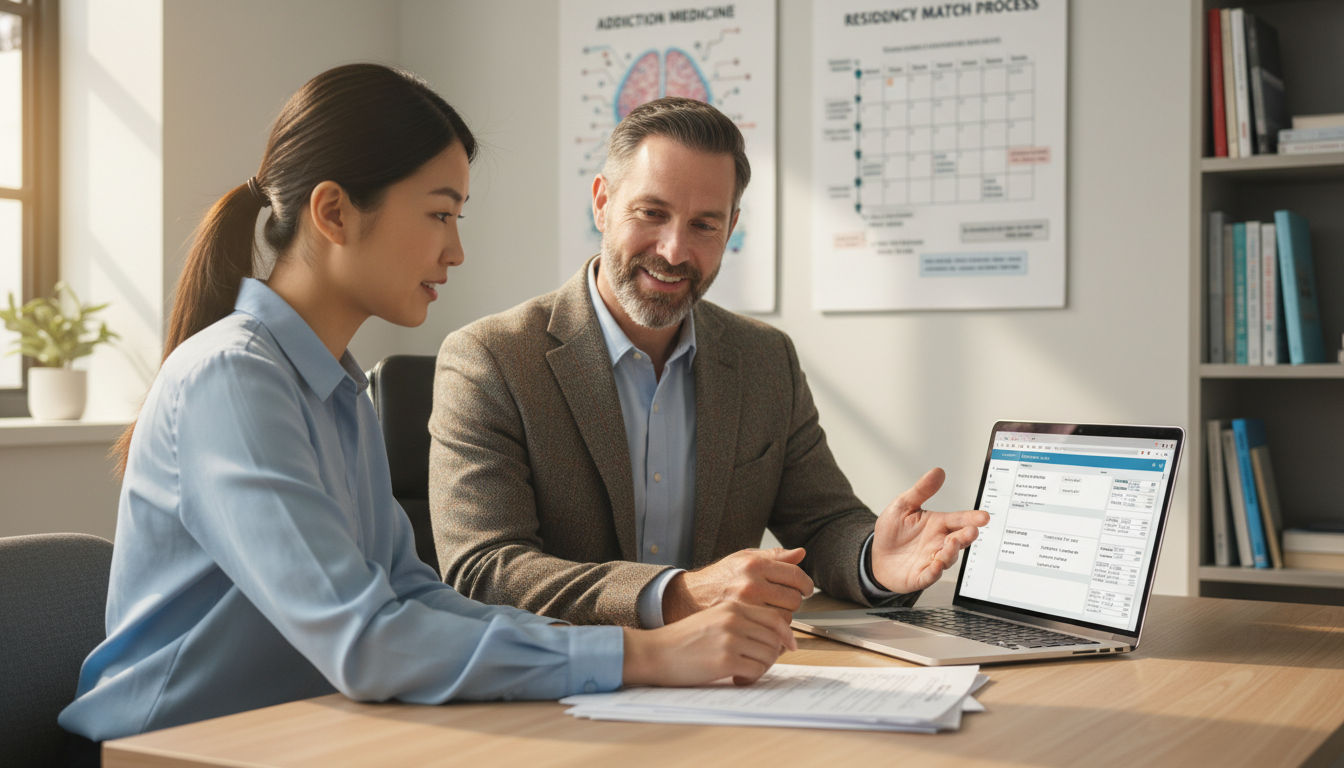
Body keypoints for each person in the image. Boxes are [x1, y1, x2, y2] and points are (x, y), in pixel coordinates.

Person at [58, 67, 794, 762]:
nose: (457, 249)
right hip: (169, 751)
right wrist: (647, 654)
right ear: (335, 212)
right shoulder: (232, 378)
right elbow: (366, 640)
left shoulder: (334, 389)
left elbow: (410, 598)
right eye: (440, 213)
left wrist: (644, 654)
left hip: (300, 737)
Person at [429, 97, 990, 630]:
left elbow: (823, 525)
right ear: (602, 201)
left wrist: (875, 561)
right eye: (651, 213)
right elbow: (485, 569)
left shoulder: (764, 358)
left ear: (730, 226)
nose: (674, 251)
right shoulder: (491, 359)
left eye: (704, 225)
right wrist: (678, 595)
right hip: (559, 689)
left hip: (722, 684)